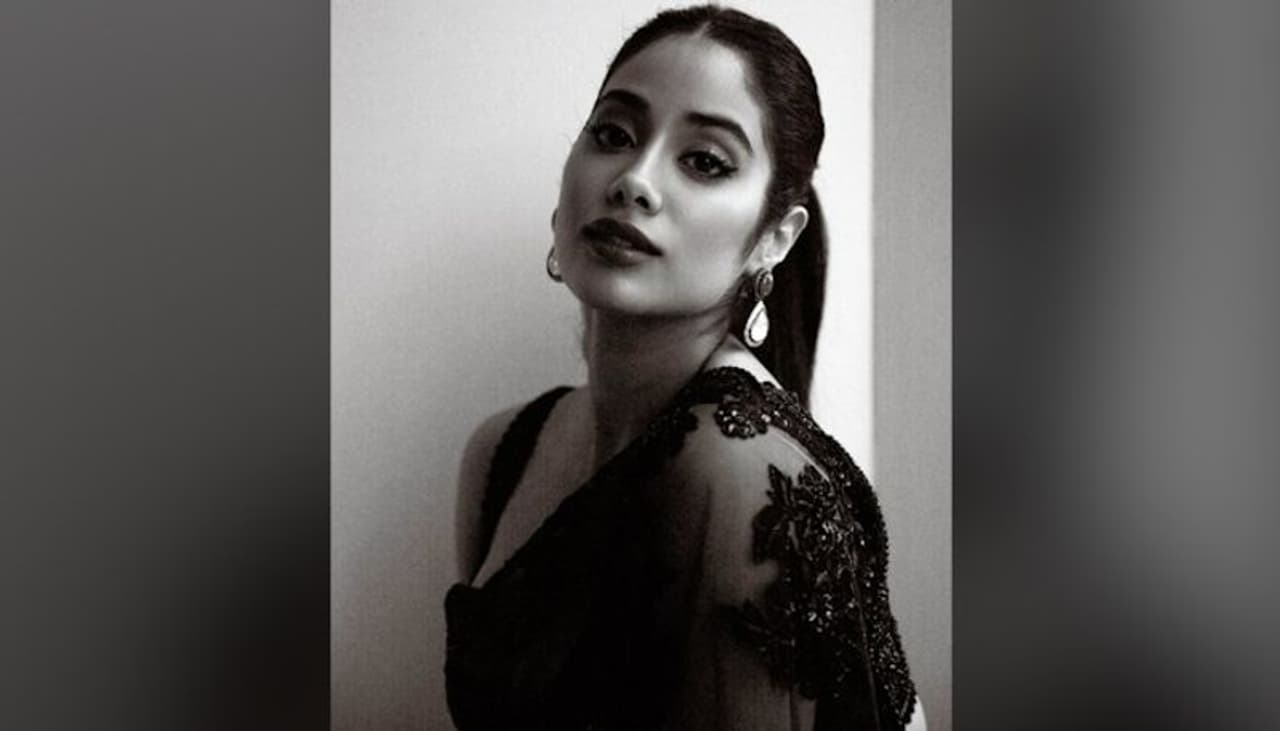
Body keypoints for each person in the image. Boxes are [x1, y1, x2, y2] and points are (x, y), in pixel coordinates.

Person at [445, 5, 921, 729]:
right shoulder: (502, 451)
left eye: (704, 161)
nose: (634, 180)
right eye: (613, 134)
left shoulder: (739, 468)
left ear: (774, 237)